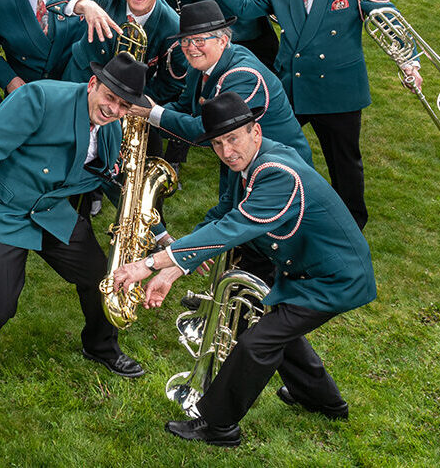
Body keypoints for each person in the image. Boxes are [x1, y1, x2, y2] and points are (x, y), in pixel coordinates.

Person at [113, 92, 376, 447]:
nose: (226, 151)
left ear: (255, 131)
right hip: (307, 269)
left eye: (233, 139)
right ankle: (324, 401)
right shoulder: (250, 161)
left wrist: (150, 263)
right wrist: (174, 269)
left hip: (334, 280)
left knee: (255, 344)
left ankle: (219, 426)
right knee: (279, 333)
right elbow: (225, 211)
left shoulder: (276, 173)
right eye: (218, 143)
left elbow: (232, 228)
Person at [0, 53, 150, 384]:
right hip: (1, 210)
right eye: (110, 98)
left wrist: (158, 233)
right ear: (93, 84)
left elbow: (105, 175)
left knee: (102, 279)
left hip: (52, 212)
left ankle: (100, 346)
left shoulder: (111, 128)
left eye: (123, 106)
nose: (113, 110)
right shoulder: (39, 97)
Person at [202, 0, 421, 229]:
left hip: (338, 92)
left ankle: (351, 225)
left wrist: (409, 61)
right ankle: (267, 209)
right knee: (264, 150)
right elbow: (246, 8)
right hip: (290, 88)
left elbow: (387, 20)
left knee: (344, 164)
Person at [134, 0, 311, 166]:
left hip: (282, 164)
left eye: (199, 40)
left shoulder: (243, 76)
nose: (190, 47)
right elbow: (185, 106)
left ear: (222, 41)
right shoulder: (202, 63)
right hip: (242, 158)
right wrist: (138, 112)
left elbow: (208, 129)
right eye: (185, 40)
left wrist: (152, 113)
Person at [49, 0, 187, 106]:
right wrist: (86, 5)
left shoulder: (172, 26)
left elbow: (172, 84)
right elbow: (55, 1)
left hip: (124, 102)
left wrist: (132, 100)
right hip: (81, 80)